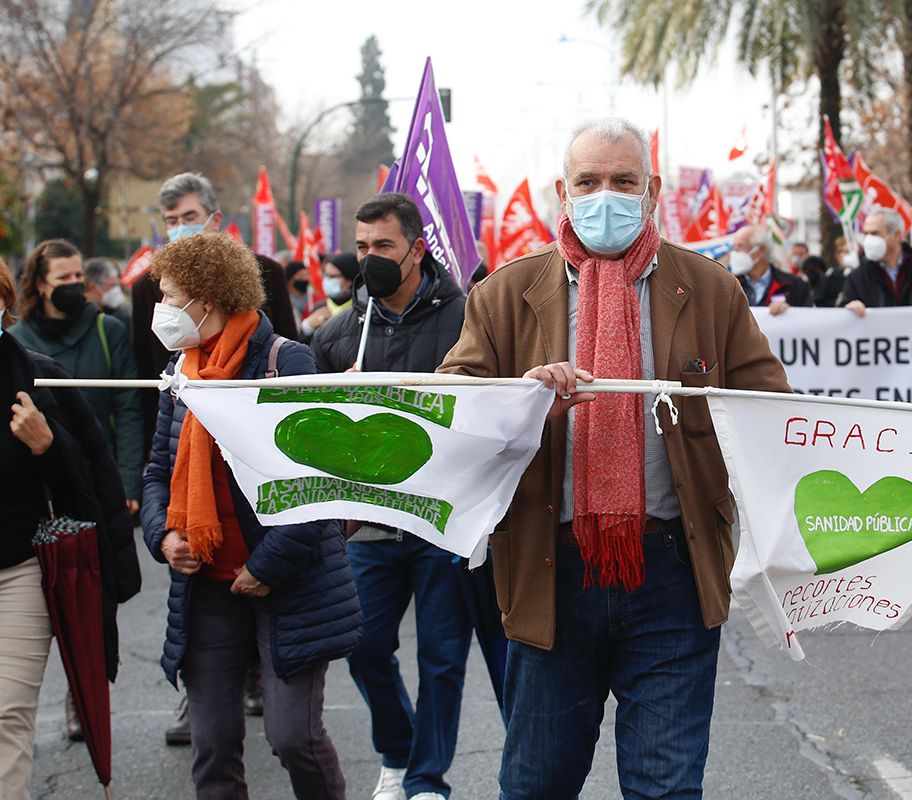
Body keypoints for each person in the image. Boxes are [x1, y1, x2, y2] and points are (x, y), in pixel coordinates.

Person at [438, 117, 792, 798]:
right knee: (538, 785)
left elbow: (769, 406)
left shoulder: (709, 288)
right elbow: (453, 407)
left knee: (665, 788)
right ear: (561, 193)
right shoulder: (505, 294)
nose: (607, 195)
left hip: (673, 574)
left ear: (652, 189)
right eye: (589, 182)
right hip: (550, 568)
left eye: (623, 181)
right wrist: (523, 402)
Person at [140, 232, 360, 799]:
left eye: (168, 296)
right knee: (211, 746)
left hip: (288, 581)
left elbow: (318, 480)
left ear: (206, 301)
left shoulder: (285, 360)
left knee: (293, 737)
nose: (161, 308)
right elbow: (158, 470)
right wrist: (165, 533)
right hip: (206, 583)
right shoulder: (180, 371)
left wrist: (267, 565)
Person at [310, 193, 475, 800]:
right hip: (369, 524)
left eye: (383, 246)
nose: (370, 258)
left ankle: (428, 780)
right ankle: (399, 750)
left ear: (417, 250)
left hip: (442, 520)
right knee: (361, 644)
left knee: (442, 657)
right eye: (361, 248)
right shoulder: (337, 334)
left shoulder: (468, 320)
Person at [1, 257, 141, 799]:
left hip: (18, 570)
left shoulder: (39, 376)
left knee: (8, 715)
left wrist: (47, 445)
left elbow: (85, 480)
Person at [132, 172, 297, 455]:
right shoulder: (147, 286)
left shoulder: (265, 270)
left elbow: (288, 346)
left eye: (190, 216)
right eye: (172, 221)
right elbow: (144, 369)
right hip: (180, 426)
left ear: (215, 219)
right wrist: (151, 445)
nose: (180, 227)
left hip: (254, 424)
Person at [9, 240, 142, 514]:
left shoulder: (109, 330)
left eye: (78, 275)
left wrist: (128, 482)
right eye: (63, 277)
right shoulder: (15, 341)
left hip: (103, 476)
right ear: (40, 284)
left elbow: (129, 409)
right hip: (41, 485)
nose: (74, 283)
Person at [838, 208, 912, 315]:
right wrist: (850, 309)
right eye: (866, 233)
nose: (868, 240)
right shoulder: (858, 277)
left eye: (874, 233)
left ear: (897, 235)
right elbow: (842, 316)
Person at [730, 223, 813, 315]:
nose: (734, 252)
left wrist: (789, 312)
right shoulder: (729, 285)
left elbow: (807, 320)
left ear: (761, 250)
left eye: (740, 246)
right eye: (734, 246)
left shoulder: (795, 285)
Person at [301, 253, 359, 339]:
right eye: (325, 275)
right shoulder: (319, 308)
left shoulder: (362, 310)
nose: (326, 280)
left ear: (349, 280)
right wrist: (307, 327)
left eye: (332, 276)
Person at [83, 257, 132, 330]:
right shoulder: (79, 318)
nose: (116, 290)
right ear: (92, 286)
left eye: (118, 285)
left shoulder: (121, 316)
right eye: (112, 285)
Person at [813, 236, 854, 307]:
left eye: (849, 252)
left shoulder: (863, 274)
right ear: (837, 255)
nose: (847, 256)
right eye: (844, 252)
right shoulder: (830, 274)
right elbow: (819, 299)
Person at [283, 261, 317, 340]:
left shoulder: (314, 299)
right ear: (290, 280)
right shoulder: (282, 301)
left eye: (307, 275)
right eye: (301, 276)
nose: (305, 279)